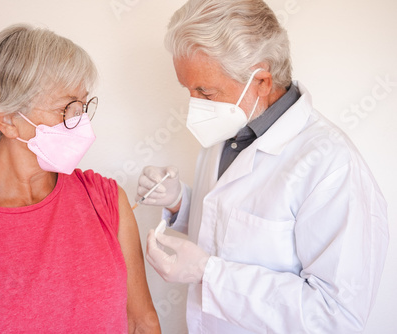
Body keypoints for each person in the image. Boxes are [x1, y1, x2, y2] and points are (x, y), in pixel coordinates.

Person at [136, 0, 389, 333]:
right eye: (188, 90)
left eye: (205, 92)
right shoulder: (228, 130)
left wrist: (209, 275)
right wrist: (180, 203)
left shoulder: (332, 165)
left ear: (262, 82)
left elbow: (335, 316)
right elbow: (227, 227)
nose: (194, 107)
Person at [0, 24, 161, 334]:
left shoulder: (106, 199)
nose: (81, 122)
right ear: (8, 120)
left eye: (83, 106)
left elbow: (141, 322)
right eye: (67, 108)